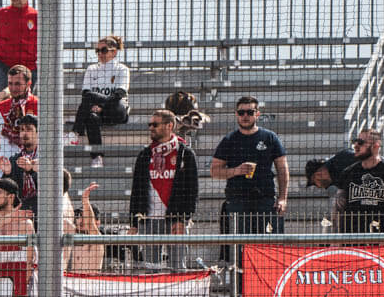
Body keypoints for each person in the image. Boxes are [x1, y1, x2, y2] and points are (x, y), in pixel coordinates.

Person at [129, 110, 199, 270]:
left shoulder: (185, 154)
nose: (151, 128)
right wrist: (134, 223)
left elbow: (192, 191)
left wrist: (183, 220)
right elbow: (136, 191)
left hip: (175, 220)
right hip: (149, 220)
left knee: (177, 268)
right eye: (150, 124)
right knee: (151, 268)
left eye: (155, 124)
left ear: (169, 126)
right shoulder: (145, 154)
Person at [210, 96, 290, 236]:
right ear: (236, 114)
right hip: (237, 200)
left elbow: (282, 168)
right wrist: (236, 171)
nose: (245, 116)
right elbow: (214, 171)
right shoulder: (229, 140)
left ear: (257, 114)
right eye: (241, 112)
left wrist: (282, 198)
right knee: (239, 245)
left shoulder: (270, 138)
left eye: (250, 112)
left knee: (269, 244)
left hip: (265, 200)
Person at [66, 35, 131, 168]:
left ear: (114, 52)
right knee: (91, 117)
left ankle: (75, 133)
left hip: (117, 110)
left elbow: (120, 93)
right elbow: (85, 93)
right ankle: (97, 157)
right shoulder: (92, 69)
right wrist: (97, 107)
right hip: (99, 113)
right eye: (98, 51)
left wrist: (101, 106)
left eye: (104, 50)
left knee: (94, 98)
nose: (100, 54)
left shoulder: (122, 69)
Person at [330, 129, 384, 234]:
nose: (356, 146)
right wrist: (336, 238)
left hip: (377, 238)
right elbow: (337, 209)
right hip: (350, 238)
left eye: (361, 142)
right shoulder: (349, 173)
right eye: (355, 141)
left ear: (376, 146)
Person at [0, 65, 38, 183]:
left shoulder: (39, 105)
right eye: (10, 83)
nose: (13, 88)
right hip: (7, 170)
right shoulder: (0, 108)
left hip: (34, 169)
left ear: (28, 84)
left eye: (18, 84)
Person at [0, 114, 40, 214]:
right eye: (22, 130)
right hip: (21, 209)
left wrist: (31, 170)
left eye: (29, 129)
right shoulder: (14, 159)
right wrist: (7, 174)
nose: (24, 133)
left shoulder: (47, 157)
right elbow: (9, 191)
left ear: (38, 133)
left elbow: (50, 186)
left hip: (42, 207)